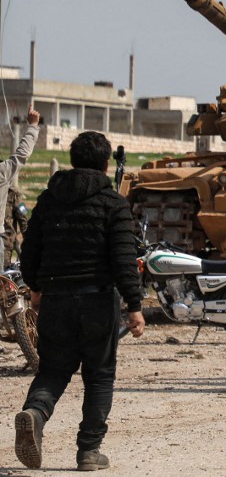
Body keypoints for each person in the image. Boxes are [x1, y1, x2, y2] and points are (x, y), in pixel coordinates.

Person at [15, 131, 145, 472]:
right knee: (99, 376)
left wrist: (35, 286)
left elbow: (29, 250)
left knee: (53, 370)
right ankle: (88, 452)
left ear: (73, 161)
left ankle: (35, 413)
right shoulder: (113, 204)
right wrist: (135, 306)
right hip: (97, 303)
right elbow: (123, 259)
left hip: (55, 301)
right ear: (105, 164)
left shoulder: (48, 200)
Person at [1, 107, 40, 265]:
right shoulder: (3, 175)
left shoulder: (14, 196)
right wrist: (33, 126)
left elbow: (23, 219)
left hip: (7, 246)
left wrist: (28, 240)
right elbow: (21, 155)